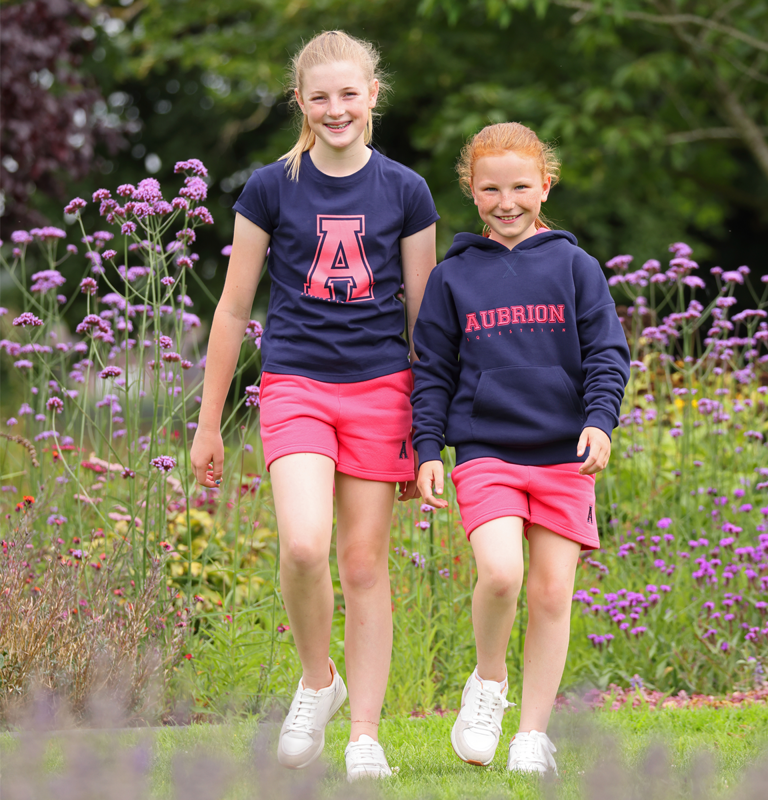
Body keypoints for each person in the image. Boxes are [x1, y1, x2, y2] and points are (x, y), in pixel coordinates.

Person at [190, 31, 438, 780]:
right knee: (303, 545)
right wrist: (208, 423)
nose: (336, 109)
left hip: (382, 391)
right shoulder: (270, 188)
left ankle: (364, 735)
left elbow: (424, 320)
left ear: (372, 96)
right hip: (296, 383)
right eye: (320, 96)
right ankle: (317, 680)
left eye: (349, 94)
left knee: (363, 564)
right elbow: (234, 309)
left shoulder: (407, 190)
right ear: (300, 101)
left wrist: (430, 434)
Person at [410, 122, 629, 774]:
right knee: (502, 573)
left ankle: (532, 734)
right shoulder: (452, 277)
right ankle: (488, 683)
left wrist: (600, 422)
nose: (506, 202)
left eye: (520, 188)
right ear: (472, 192)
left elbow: (607, 353)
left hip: (565, 455)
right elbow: (433, 372)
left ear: (545, 186)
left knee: (553, 594)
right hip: (487, 452)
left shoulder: (575, 266)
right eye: (491, 190)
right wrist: (427, 448)